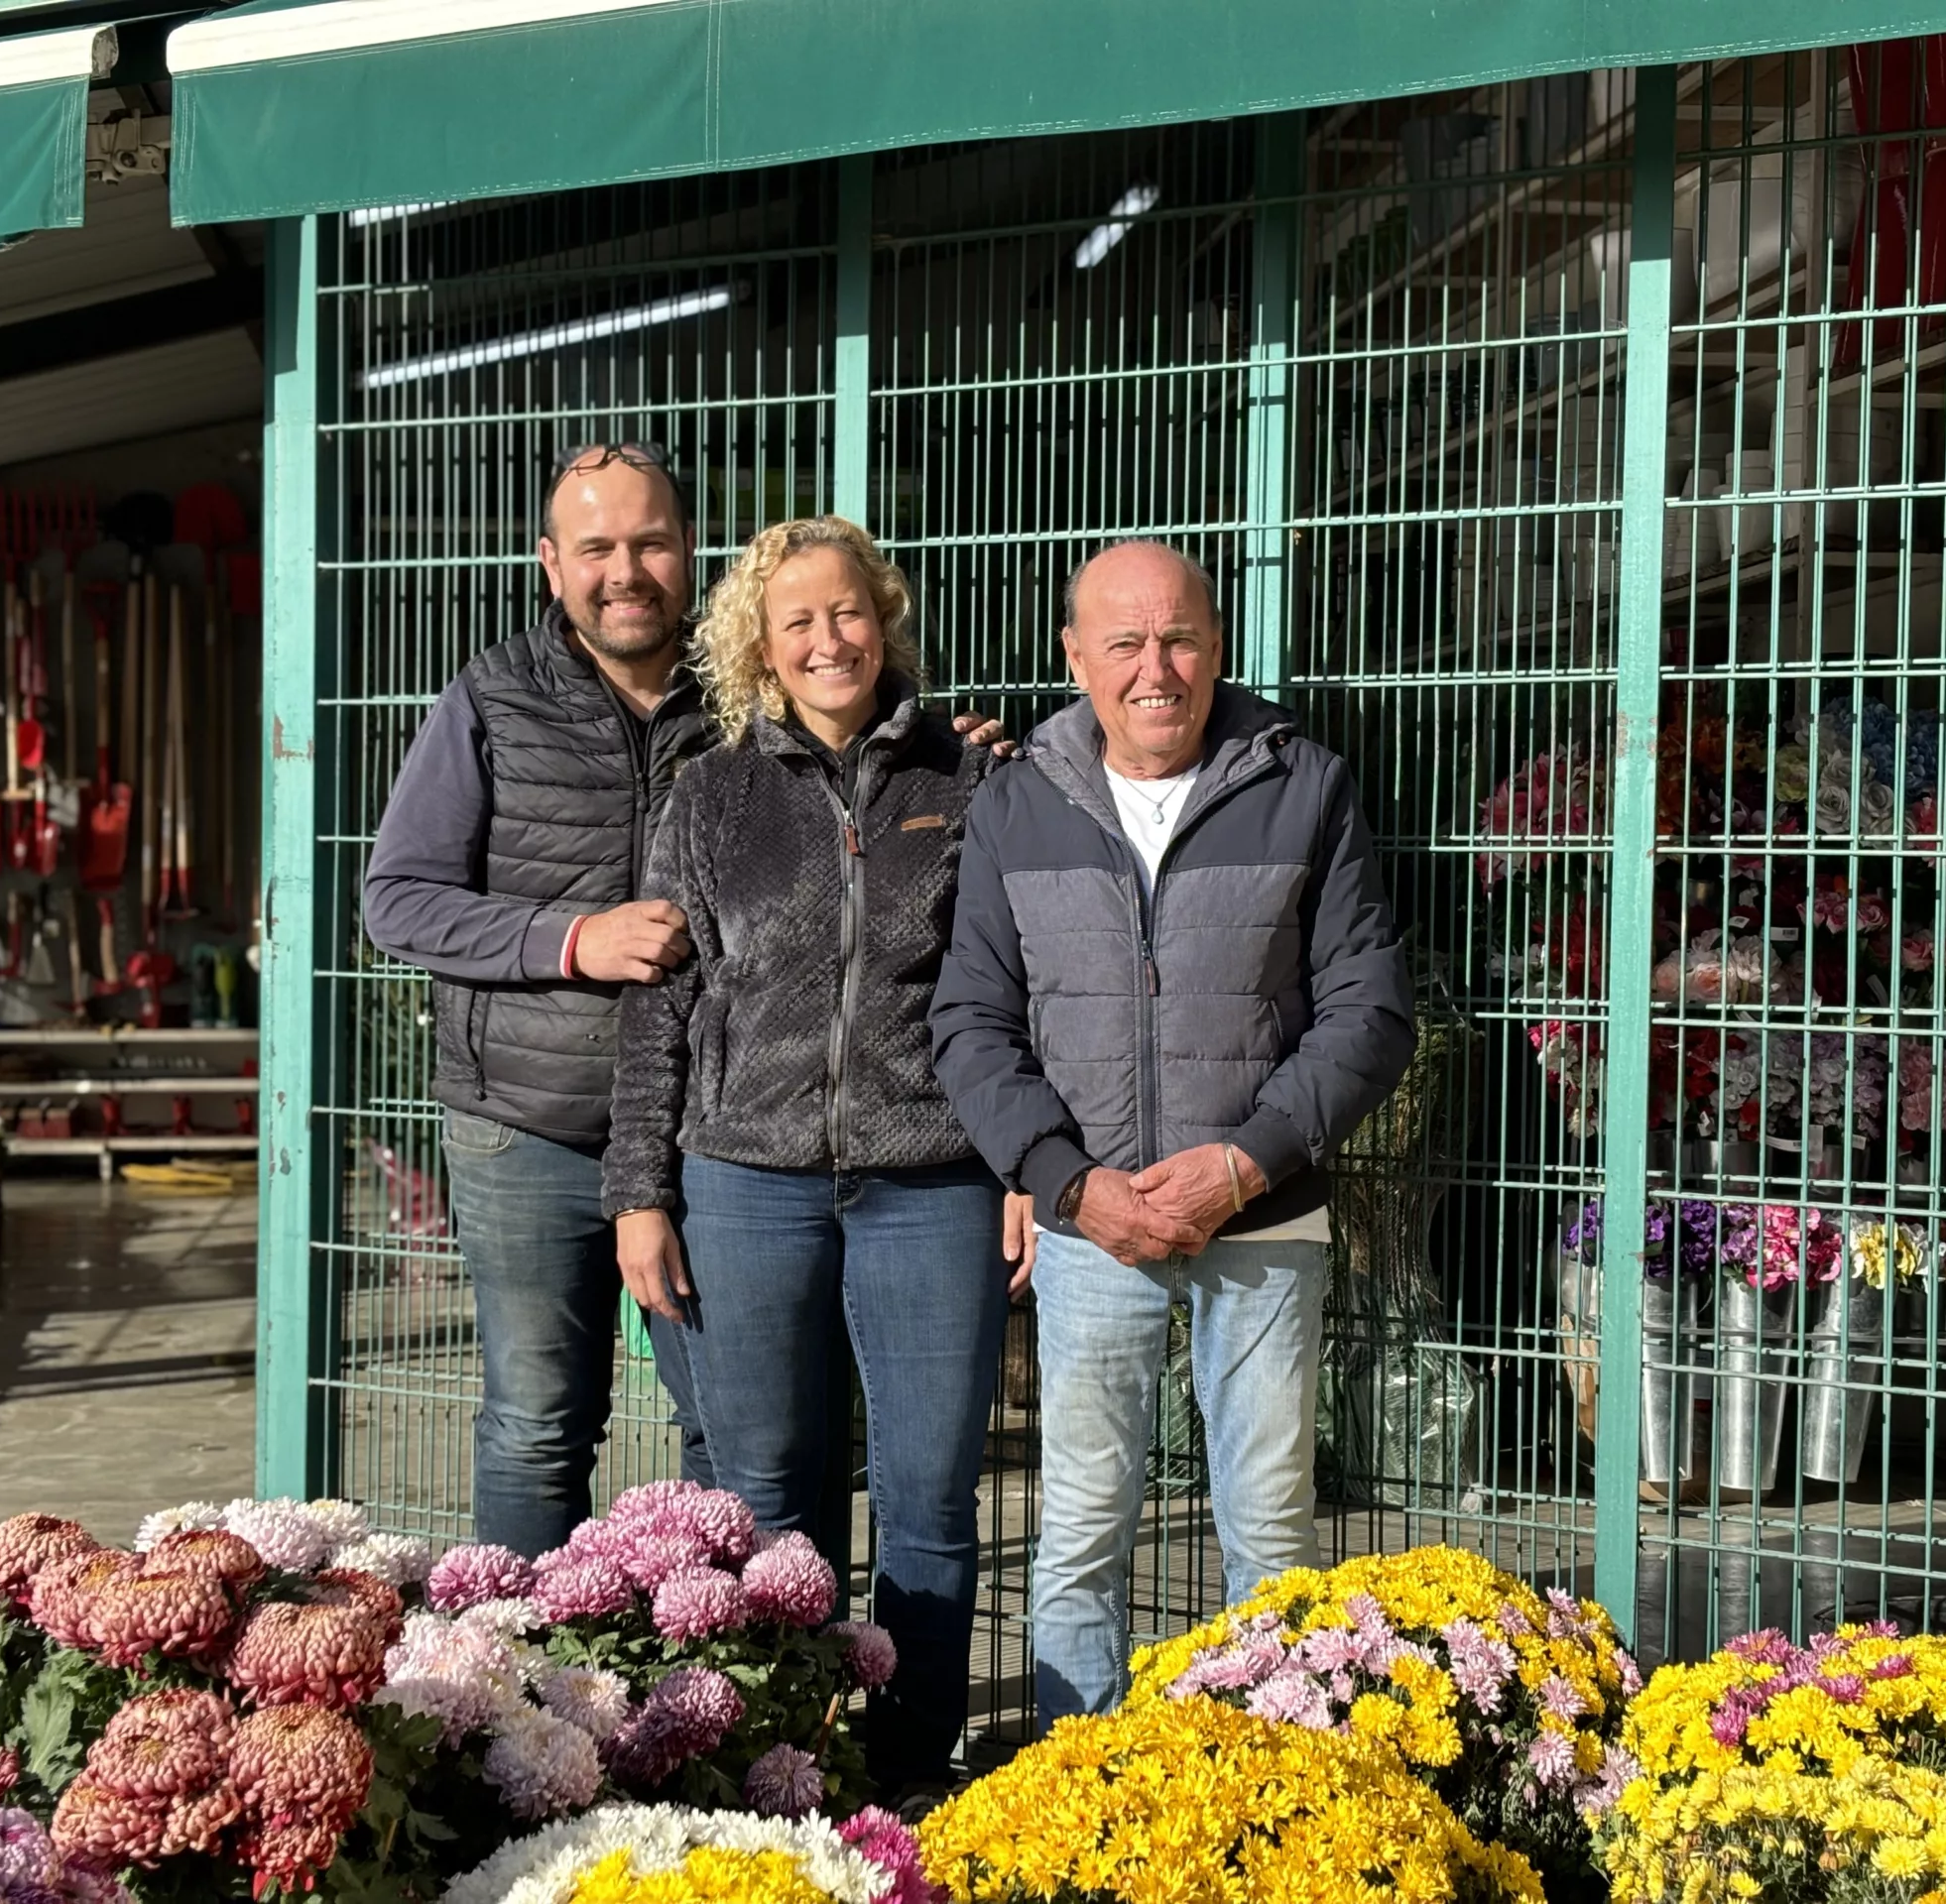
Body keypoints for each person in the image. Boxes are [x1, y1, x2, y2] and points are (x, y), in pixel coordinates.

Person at [363, 448, 1006, 1560]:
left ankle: (726, 1688)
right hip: (529, 1122)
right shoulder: (493, 697)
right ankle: (507, 1693)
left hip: (709, 1137)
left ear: (689, 555)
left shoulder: (747, 703)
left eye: (650, 543)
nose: (627, 571)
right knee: (537, 1425)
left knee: (732, 1442)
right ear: (550, 564)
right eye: (598, 549)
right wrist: (569, 940)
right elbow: (397, 901)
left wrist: (960, 755)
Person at [928, 538, 1415, 1726]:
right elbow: (969, 1020)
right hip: (1096, 1228)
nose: (1157, 668)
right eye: (1125, 643)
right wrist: (1066, 1183)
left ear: (1217, 645)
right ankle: (1074, 1781)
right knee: (1083, 1531)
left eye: (1181, 637)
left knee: (1270, 1534)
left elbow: (1369, 1010)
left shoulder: (1303, 785)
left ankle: (1276, 1783)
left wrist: (1247, 1161)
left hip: (1264, 1216)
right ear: (1076, 658)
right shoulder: (1016, 801)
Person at [601, 516, 1031, 1798]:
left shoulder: (971, 778)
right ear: (761, 646)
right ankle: (781, 1769)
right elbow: (659, 1006)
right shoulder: (709, 794)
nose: (829, 637)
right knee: (764, 1494)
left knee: (930, 1499)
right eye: (799, 621)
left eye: (848, 612)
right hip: (745, 1179)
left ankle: (907, 1772)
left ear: (883, 620)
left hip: (933, 1179)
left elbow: (1012, 992)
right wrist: (640, 1194)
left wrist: (1021, 1162)